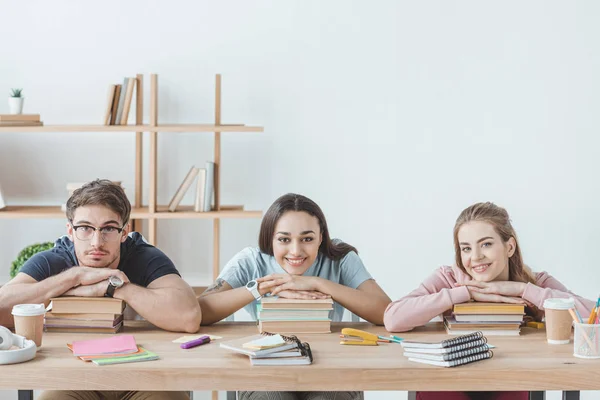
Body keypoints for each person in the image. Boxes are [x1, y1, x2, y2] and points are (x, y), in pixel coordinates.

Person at [0, 179, 200, 400]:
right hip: (72, 379)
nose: (96, 241)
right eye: (85, 228)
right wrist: (74, 277)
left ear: (125, 232)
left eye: (108, 229)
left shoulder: (143, 256)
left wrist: (116, 288)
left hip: (144, 376)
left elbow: (189, 316)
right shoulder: (53, 260)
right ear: (70, 230)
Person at [384, 202, 595, 400]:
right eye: (466, 248)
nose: (475, 257)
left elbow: (594, 316)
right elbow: (393, 319)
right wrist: (465, 293)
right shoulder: (449, 279)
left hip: (510, 380)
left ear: (509, 247)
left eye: (485, 244)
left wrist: (523, 290)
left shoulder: (535, 282)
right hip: (448, 380)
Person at [199, 193, 391, 400]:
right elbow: (200, 311)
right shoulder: (250, 261)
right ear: (270, 238)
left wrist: (318, 283)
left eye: (307, 239)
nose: (296, 251)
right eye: (284, 239)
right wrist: (261, 287)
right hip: (266, 368)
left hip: (330, 367)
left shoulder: (341, 258)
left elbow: (385, 312)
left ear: (321, 237)